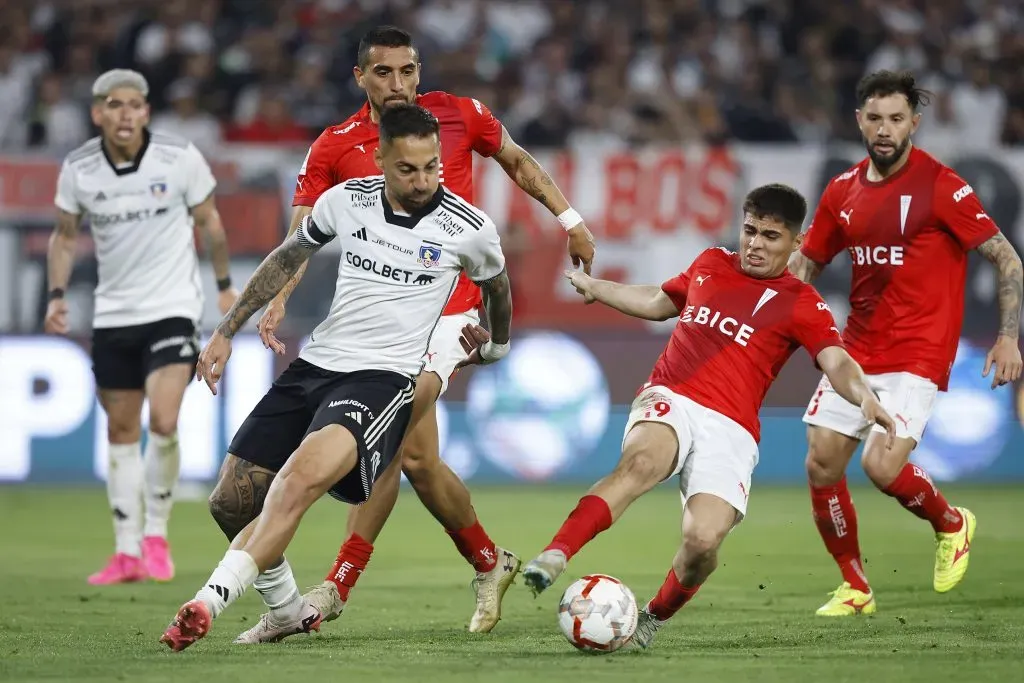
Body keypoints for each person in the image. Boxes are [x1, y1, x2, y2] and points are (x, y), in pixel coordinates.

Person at [240, 25, 596, 638]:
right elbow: (301, 235)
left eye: (409, 71)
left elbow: (516, 159)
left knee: (395, 427)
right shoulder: (335, 145)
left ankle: (335, 587)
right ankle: (491, 562)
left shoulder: (459, 115)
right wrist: (278, 300)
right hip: (381, 324)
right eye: (385, 72)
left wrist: (570, 219)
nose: (399, 83)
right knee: (420, 460)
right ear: (362, 78)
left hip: (452, 314)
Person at [160, 103, 514, 652]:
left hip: (383, 379)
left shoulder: (467, 227)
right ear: (380, 159)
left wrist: (495, 344)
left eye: (431, 167)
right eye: (408, 169)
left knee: (297, 479)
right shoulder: (346, 202)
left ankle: (206, 602)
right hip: (317, 363)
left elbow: (498, 289)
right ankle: (286, 611)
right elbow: (284, 258)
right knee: (231, 501)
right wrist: (227, 328)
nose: (423, 181)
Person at [521, 184, 897, 650]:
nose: (756, 243)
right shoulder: (711, 264)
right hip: (672, 394)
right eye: (750, 230)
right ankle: (557, 553)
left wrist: (864, 397)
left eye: (771, 236)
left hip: (732, 428)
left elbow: (837, 361)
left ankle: (652, 618)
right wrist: (596, 287)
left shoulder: (803, 303)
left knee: (702, 542)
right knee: (641, 464)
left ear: (796, 243)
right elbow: (660, 301)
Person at [788, 70, 1023, 616]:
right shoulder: (842, 190)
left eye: (896, 119)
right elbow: (807, 265)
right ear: (860, 122)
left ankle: (952, 522)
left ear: (914, 122)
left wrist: (1008, 338)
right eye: (875, 119)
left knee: (880, 466)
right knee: (821, 462)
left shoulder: (942, 185)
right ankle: (855, 586)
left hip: (919, 349)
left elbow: (1007, 257)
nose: (885, 129)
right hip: (857, 348)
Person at [45, 69, 237, 585]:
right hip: (112, 315)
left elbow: (210, 222)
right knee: (121, 430)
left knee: (165, 421)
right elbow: (64, 237)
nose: (125, 113)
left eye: (134, 104)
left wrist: (223, 285)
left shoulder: (179, 158)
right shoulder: (80, 168)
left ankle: (156, 532)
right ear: (98, 113)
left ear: (146, 112)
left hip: (172, 308)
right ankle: (126, 550)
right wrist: (57, 295)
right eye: (114, 104)